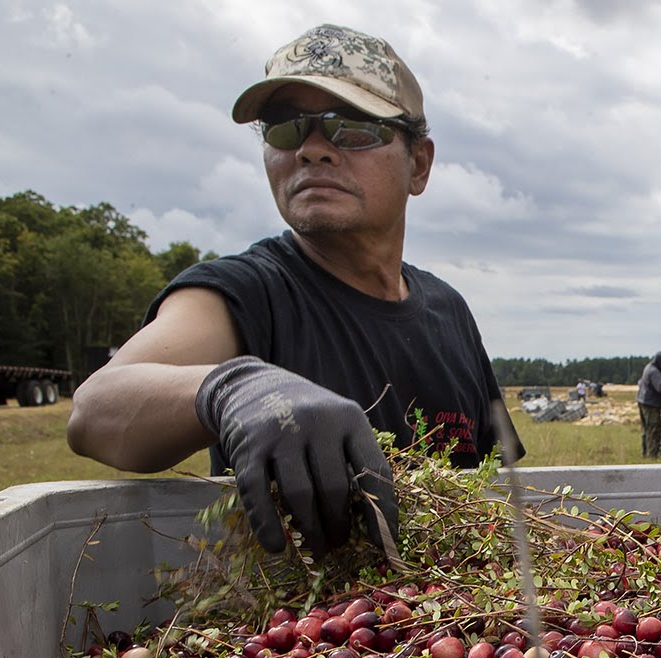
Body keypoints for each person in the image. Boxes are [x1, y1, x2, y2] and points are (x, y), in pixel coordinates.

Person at [65, 24, 523, 557]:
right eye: (286, 128)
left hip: (461, 625)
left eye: (349, 128)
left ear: (418, 163)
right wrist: (233, 388)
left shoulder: (450, 312)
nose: (310, 150)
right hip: (309, 628)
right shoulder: (245, 294)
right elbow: (95, 411)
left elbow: (502, 501)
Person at [636, 351, 661, 458]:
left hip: (644, 401)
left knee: (646, 429)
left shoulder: (650, 368)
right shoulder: (653, 371)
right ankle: (652, 456)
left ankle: (645, 453)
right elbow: (660, 388)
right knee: (653, 430)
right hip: (651, 404)